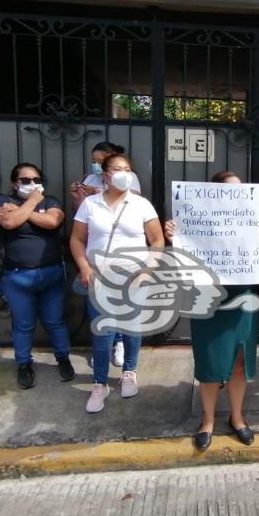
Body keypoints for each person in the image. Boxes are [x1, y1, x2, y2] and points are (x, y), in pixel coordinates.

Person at [164, 170, 259, 451]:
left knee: (239, 361)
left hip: (243, 297)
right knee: (209, 362)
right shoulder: (197, 219)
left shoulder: (255, 220)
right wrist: (175, 236)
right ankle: (208, 420)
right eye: (229, 190)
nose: (236, 195)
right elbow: (183, 254)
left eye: (240, 189)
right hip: (207, 297)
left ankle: (237, 417)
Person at [70, 153, 164, 413]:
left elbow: (157, 241)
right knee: (103, 334)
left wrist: (148, 271)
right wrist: (84, 266)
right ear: (105, 174)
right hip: (100, 275)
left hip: (134, 275)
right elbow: (77, 239)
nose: (123, 173)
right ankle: (99, 383)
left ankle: (129, 372)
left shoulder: (141, 204)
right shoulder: (90, 204)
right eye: (117, 168)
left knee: (133, 329)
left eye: (127, 169)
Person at [0, 163, 74, 389]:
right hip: (17, 276)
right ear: (14, 183)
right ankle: (24, 364)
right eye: (26, 180)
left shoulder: (51, 200)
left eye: (36, 179)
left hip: (51, 273)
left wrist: (23, 211)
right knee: (23, 324)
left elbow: (53, 221)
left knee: (55, 320)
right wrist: (33, 203)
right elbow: (9, 222)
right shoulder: (1, 201)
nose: (33, 184)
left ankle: (63, 358)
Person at [69, 141, 141, 368]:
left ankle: (120, 344)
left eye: (100, 162)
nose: (96, 167)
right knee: (100, 311)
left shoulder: (130, 179)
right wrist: (79, 196)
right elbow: (81, 219)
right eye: (94, 162)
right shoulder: (89, 180)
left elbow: (132, 200)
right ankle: (102, 349)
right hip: (97, 257)